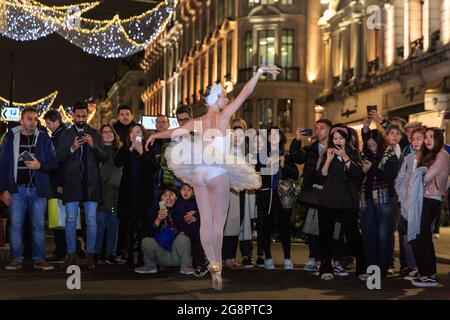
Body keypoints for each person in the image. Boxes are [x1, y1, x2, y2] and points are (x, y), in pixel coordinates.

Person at [145, 66, 280, 290]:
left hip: (198, 173)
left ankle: (214, 264)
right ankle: (216, 264)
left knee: (206, 221)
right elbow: (246, 93)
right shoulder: (223, 117)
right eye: (224, 96)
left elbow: (173, 132)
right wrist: (258, 72)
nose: (227, 100)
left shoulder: (196, 122)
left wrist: (154, 135)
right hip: (217, 173)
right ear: (216, 98)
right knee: (218, 222)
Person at [0, 107, 57, 271]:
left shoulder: (45, 138)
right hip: (17, 190)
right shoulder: (11, 138)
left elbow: (54, 164)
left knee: (38, 226)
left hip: (38, 190)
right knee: (16, 226)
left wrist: (40, 165)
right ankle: (16, 259)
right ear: (22, 120)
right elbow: (3, 166)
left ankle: (39, 259)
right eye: (29, 119)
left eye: (35, 119)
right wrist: (4, 189)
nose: (33, 122)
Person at [57, 102, 108, 270]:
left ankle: (90, 255)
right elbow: (58, 157)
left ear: (87, 116)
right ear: (73, 116)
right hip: (72, 184)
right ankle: (71, 254)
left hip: (91, 184)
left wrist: (93, 145)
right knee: (70, 220)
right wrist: (72, 148)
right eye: (78, 116)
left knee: (91, 221)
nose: (81, 119)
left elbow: (104, 157)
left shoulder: (94, 133)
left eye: (84, 116)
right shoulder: (66, 134)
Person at [317, 124, 368, 281]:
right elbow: (321, 175)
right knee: (325, 234)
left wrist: (344, 156)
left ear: (346, 139)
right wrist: (329, 159)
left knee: (352, 234)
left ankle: (362, 267)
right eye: (334, 138)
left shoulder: (353, 153)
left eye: (340, 138)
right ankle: (326, 266)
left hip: (346, 199)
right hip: (327, 198)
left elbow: (357, 172)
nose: (337, 141)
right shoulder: (327, 152)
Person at [290, 119, 332, 273]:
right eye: (317, 128)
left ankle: (328, 258)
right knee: (313, 225)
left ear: (329, 130)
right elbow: (297, 158)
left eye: (322, 128)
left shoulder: (336, 148)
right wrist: (297, 141)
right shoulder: (311, 149)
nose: (318, 130)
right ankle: (314, 257)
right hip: (314, 192)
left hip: (331, 192)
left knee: (329, 226)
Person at [410, 128, 450, 287]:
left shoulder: (442, 155)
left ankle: (430, 275)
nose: (427, 140)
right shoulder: (429, 155)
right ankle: (425, 272)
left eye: (431, 137)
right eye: (426, 137)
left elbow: (425, 177)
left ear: (439, 138)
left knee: (424, 234)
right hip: (423, 198)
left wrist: (419, 174)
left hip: (432, 198)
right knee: (420, 234)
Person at [360, 124, 399, 277]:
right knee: (369, 232)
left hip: (385, 199)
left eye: (374, 145)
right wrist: (363, 171)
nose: (372, 148)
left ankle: (384, 266)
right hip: (368, 199)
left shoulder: (390, 155)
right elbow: (362, 177)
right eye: (369, 145)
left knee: (384, 233)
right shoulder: (366, 155)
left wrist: (372, 169)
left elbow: (390, 176)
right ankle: (371, 266)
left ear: (380, 142)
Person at [255, 127, 297, 270]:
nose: (273, 137)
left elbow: (295, 174)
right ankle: (267, 257)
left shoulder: (285, 154)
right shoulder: (261, 154)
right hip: (267, 194)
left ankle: (287, 258)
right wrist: (268, 166)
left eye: (276, 134)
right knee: (266, 226)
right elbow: (255, 172)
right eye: (270, 134)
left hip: (283, 195)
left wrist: (284, 166)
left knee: (284, 226)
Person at [115, 124, 154, 267]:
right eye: (132, 132)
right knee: (128, 226)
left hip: (143, 196)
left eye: (138, 132)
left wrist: (142, 152)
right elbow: (117, 162)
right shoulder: (125, 150)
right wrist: (130, 149)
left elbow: (153, 169)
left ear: (143, 135)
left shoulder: (148, 149)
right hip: (128, 195)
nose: (134, 134)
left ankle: (143, 258)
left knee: (142, 228)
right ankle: (130, 256)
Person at [136, 186, 194, 275]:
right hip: (161, 256)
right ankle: (150, 266)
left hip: (177, 256)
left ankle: (185, 266)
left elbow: (188, 230)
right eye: (164, 195)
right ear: (160, 199)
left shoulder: (182, 208)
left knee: (182, 237)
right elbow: (146, 233)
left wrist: (193, 215)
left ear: (176, 197)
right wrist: (158, 220)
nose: (168, 198)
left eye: (171, 195)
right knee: (146, 241)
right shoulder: (154, 210)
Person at [395, 127, 426, 280]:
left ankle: (425, 269)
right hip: (408, 204)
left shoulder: (432, 158)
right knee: (409, 236)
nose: (415, 142)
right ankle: (414, 267)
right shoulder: (408, 158)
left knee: (422, 237)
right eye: (413, 139)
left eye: (418, 139)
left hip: (425, 203)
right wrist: (403, 197)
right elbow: (400, 179)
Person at [94, 125, 122, 265]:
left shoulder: (119, 151)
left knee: (113, 226)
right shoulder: (96, 152)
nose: (108, 134)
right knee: (99, 226)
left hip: (115, 194)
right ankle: (97, 253)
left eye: (110, 131)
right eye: (104, 132)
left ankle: (111, 253)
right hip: (100, 194)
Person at [43, 109, 68, 263]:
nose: (47, 126)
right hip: (56, 182)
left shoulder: (62, 136)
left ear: (56, 121)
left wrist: (60, 184)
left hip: (59, 183)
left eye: (48, 123)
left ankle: (61, 251)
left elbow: (61, 161)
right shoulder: (58, 134)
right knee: (57, 217)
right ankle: (61, 249)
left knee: (58, 218)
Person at [172, 183, 208, 276]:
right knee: (187, 249)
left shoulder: (196, 202)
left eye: (189, 190)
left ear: (193, 192)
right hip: (183, 232)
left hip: (195, 232)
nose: (186, 192)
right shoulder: (177, 203)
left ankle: (199, 265)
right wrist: (178, 228)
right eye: (183, 190)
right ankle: (185, 264)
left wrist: (196, 215)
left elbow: (204, 211)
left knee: (197, 250)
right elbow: (175, 216)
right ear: (180, 191)